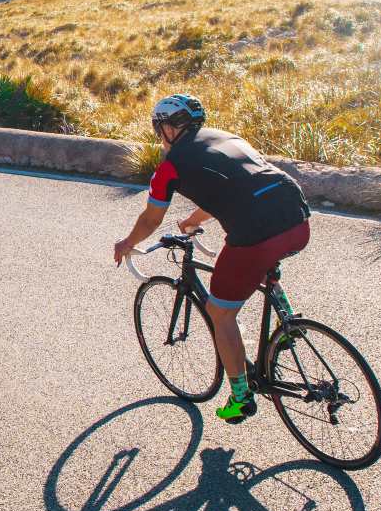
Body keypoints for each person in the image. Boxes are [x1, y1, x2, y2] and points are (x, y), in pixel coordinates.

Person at [112, 94, 311, 425]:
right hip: (297, 216)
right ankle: (287, 322)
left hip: (257, 232)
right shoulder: (226, 137)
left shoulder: (169, 166)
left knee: (220, 312)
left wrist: (127, 242)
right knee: (257, 262)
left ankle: (240, 397)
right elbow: (234, 187)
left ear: (166, 128)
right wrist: (193, 221)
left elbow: (151, 219)